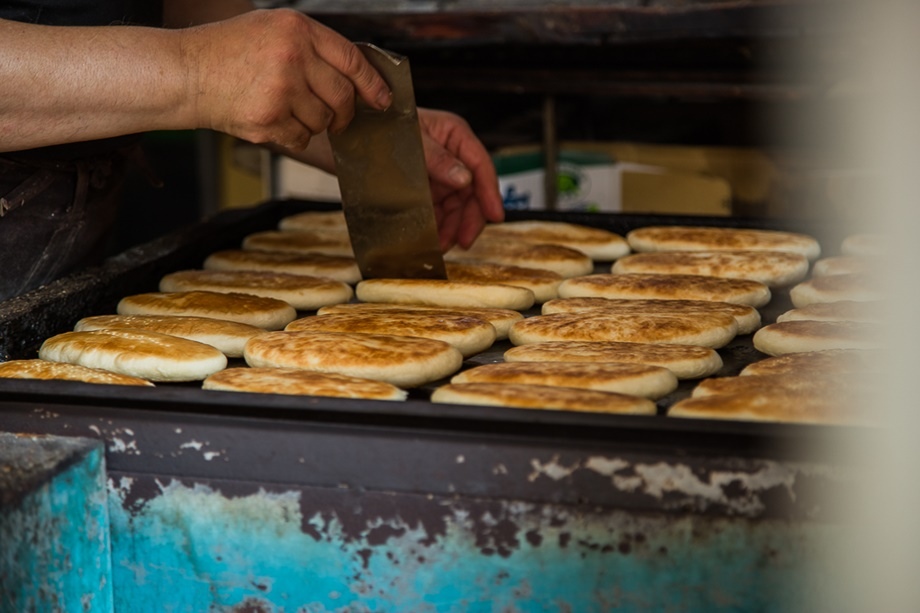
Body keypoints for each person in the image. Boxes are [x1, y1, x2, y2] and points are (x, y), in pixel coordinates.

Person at [0, 1, 505, 300]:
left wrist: (348, 124)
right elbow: (203, 60)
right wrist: (199, 70)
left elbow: (190, 11)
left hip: (68, 251)